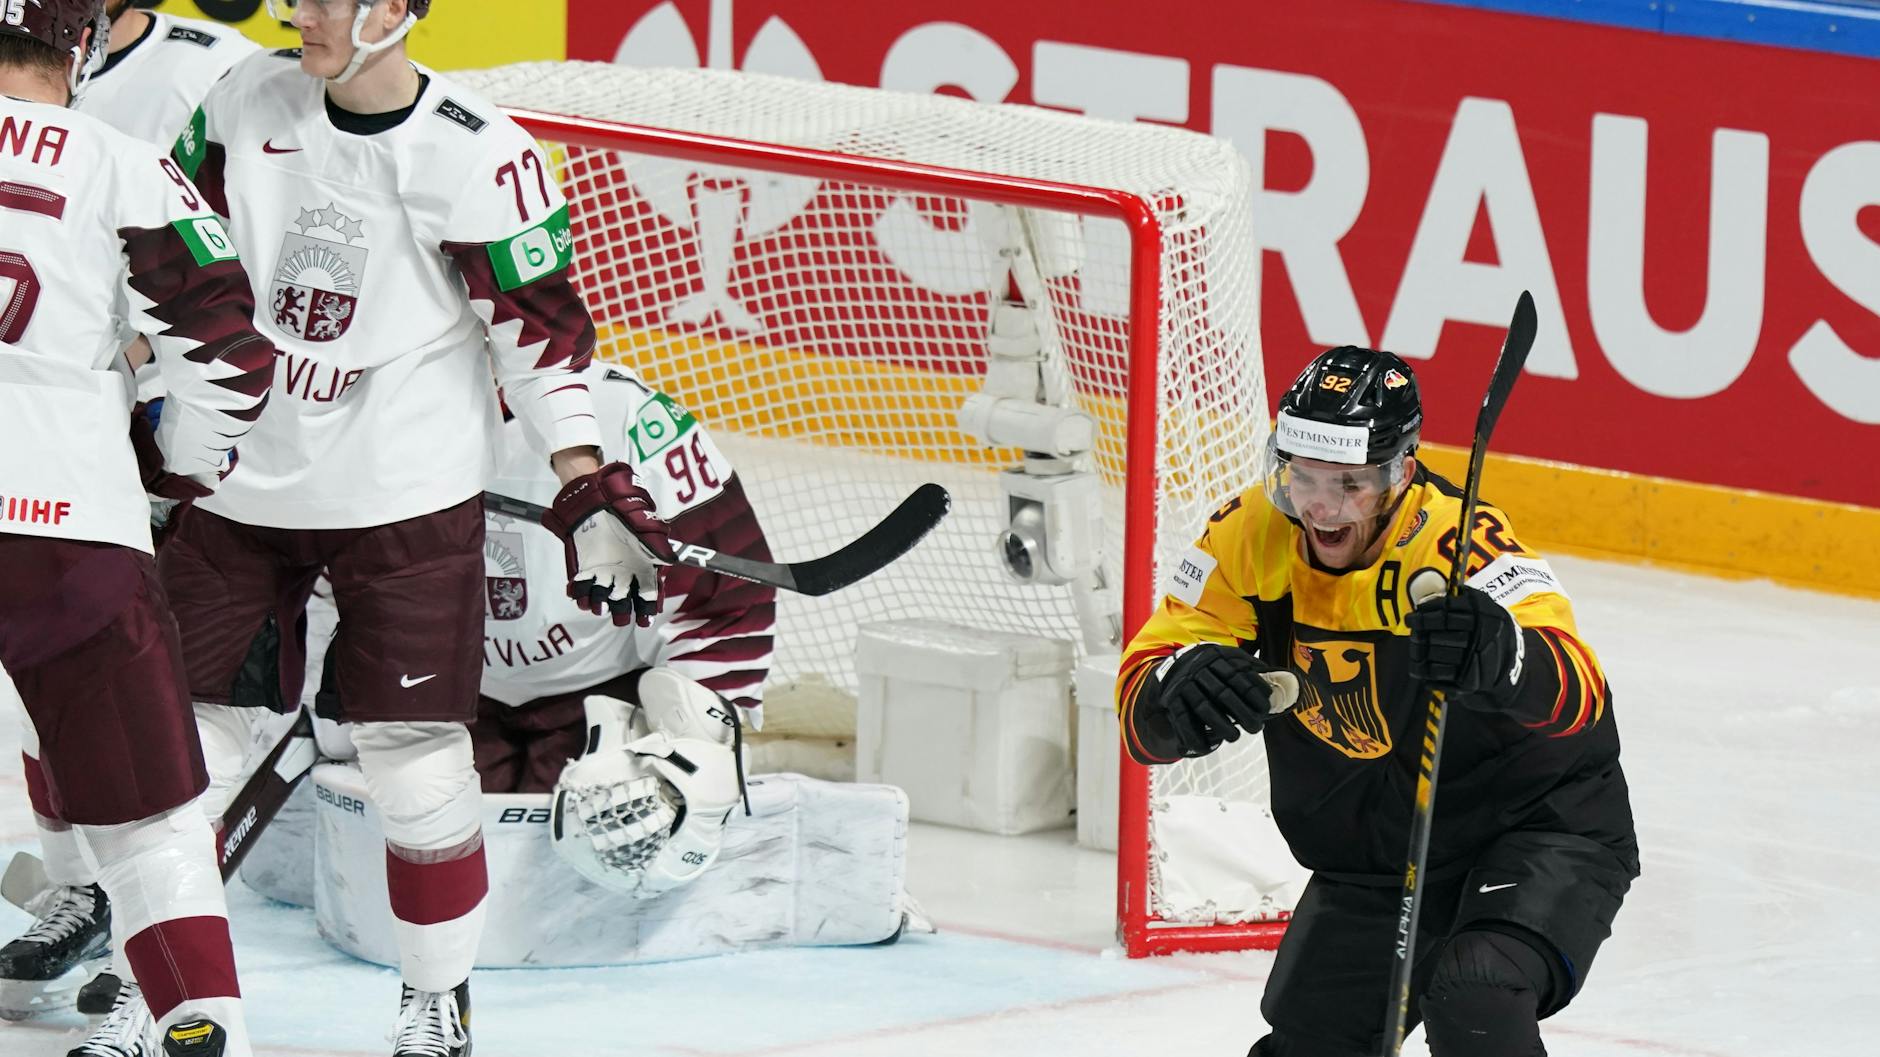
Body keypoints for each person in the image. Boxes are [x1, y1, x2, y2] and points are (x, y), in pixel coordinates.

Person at [159, 3, 673, 1054]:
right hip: (241, 486)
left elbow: (540, 335)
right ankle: (162, 1005)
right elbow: (162, 267)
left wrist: (584, 479)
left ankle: (434, 1002)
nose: (304, 12)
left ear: (398, 12)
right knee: (184, 761)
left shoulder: (484, 157)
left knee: (421, 772)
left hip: (402, 496)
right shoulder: (238, 99)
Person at [1117, 347, 1638, 1056]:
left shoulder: (1460, 545)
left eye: (1349, 483)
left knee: (1477, 989)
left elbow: (1579, 688)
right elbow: (1142, 701)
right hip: (1383, 852)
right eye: (1301, 474)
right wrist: (1172, 692)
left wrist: (1501, 651)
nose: (1320, 506)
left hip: (1537, 823)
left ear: (1401, 471)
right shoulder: (1248, 534)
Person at [0, 1, 276, 1054]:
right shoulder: (118, 159)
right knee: (154, 825)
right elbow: (231, 355)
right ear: (80, 46)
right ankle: (201, 1033)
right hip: (68, 524)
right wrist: (179, 468)